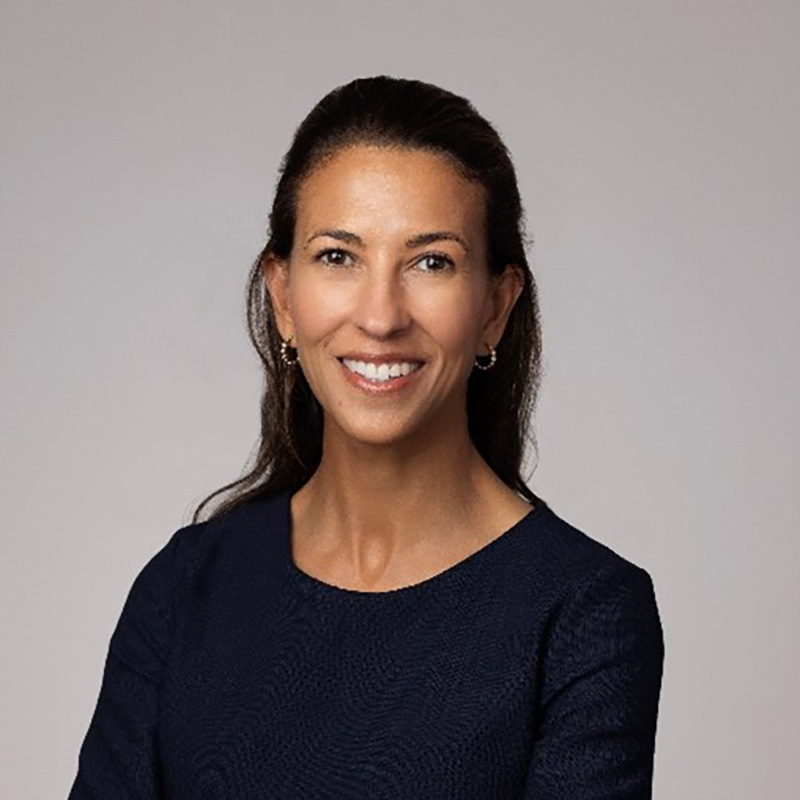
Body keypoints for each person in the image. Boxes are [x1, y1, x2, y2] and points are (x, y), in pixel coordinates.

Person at [68, 75, 664, 799]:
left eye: (430, 262)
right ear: (283, 297)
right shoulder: (185, 588)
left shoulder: (584, 614)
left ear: (495, 308)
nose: (380, 316)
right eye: (338, 257)